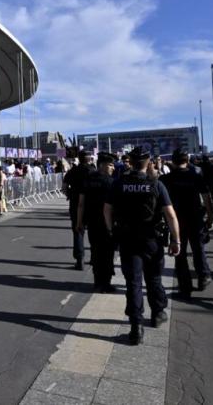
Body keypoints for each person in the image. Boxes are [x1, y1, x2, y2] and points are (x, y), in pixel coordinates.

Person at [104, 147, 181, 345]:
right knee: (154, 278)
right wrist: (175, 239)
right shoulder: (156, 184)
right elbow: (170, 214)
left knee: (133, 282)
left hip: (128, 238)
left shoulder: (119, 184)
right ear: (148, 162)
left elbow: (107, 209)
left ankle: (136, 326)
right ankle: (157, 313)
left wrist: (111, 230)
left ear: (130, 161)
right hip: (151, 238)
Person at [160, 149, 213, 299]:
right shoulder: (196, 176)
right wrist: (209, 217)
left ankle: (185, 286)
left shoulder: (166, 179)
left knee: (180, 253)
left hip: (176, 220)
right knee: (198, 249)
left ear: (173, 161)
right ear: (187, 160)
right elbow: (206, 197)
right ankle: (204, 276)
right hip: (196, 218)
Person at [77, 153, 116, 293]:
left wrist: (79, 222)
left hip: (92, 223)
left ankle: (97, 282)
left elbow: (81, 203)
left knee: (96, 252)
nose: (113, 168)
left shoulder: (87, 180)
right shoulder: (111, 182)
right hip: (107, 224)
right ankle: (106, 283)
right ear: (102, 165)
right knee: (107, 253)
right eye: (110, 165)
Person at [63, 150, 96, 270]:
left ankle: (79, 259)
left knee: (78, 231)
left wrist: (69, 195)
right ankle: (94, 258)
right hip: (92, 204)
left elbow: (64, 187)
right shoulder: (94, 171)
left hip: (76, 204)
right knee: (93, 232)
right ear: (89, 159)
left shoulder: (73, 171)